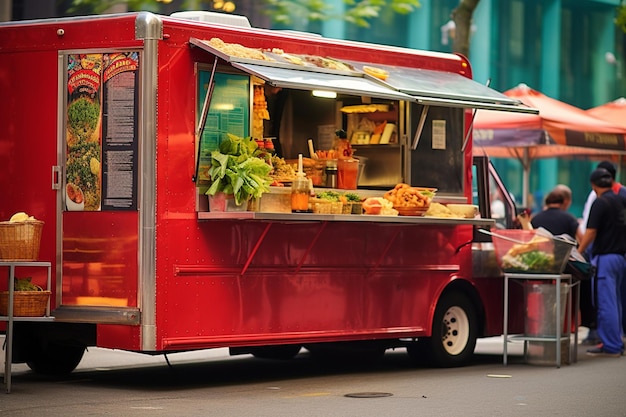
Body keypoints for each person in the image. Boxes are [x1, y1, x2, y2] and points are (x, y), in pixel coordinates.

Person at [577, 168, 626, 357]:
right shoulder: (620, 200)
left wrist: (579, 251)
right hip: (620, 258)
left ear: (594, 185)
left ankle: (612, 345)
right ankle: (617, 339)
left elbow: (591, 232)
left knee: (606, 303)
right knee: (616, 302)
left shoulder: (600, 202)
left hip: (604, 258)